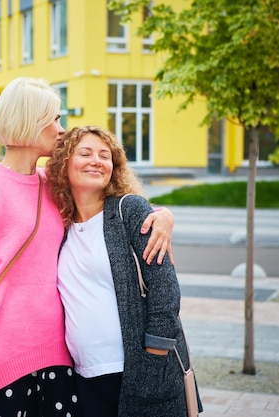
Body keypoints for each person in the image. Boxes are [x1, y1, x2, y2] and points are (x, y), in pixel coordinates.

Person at [0, 78, 175, 416]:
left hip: (59, 363)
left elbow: (110, 203)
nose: (62, 128)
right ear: (30, 120)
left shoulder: (54, 184)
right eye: (55, 118)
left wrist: (163, 216)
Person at [46, 126, 202, 417]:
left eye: (105, 156)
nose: (96, 160)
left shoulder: (128, 210)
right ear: (63, 164)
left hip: (137, 371)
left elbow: (165, 292)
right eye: (85, 153)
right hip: (85, 375)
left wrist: (151, 364)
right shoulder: (60, 225)